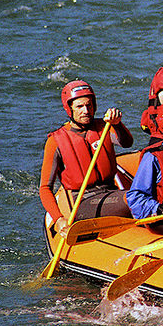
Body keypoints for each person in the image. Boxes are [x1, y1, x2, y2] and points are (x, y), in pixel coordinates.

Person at [40, 80, 134, 232]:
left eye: (89, 105)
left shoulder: (104, 126)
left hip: (111, 191)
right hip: (83, 202)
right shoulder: (55, 141)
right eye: (79, 106)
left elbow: (127, 143)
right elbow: (45, 188)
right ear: (69, 109)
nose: (85, 110)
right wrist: (58, 219)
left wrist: (117, 124)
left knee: (142, 195)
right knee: (134, 199)